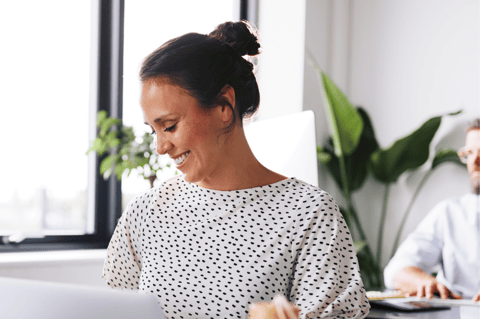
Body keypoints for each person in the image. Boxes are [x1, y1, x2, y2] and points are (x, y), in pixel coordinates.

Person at [102, 20, 370, 319]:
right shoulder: (146, 212)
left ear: (223, 106)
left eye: (170, 126)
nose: (160, 147)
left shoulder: (310, 214)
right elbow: (111, 311)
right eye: (154, 130)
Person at [384, 119, 480, 301]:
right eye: (469, 153)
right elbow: (396, 270)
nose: (474, 162)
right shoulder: (451, 212)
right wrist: (422, 281)